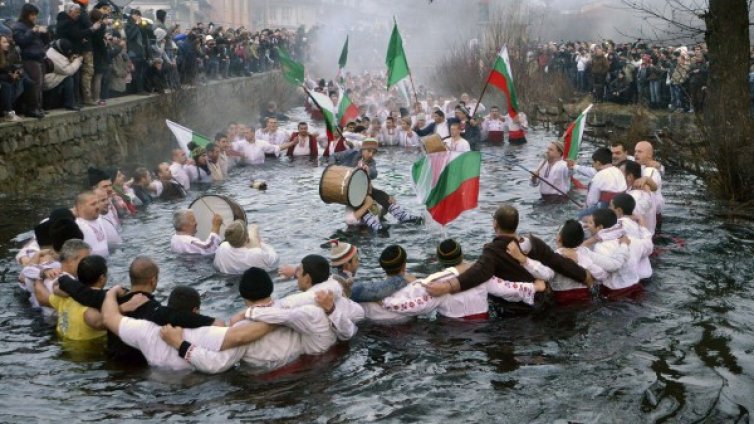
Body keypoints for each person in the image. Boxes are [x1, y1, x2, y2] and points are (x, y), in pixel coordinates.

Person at [157, 266, 358, 373]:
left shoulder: (244, 330)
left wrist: (179, 344)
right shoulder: (289, 307)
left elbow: (215, 365)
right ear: (270, 289)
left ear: (243, 297)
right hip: (308, 371)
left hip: (265, 388)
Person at [58, 255, 222, 364]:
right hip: (137, 367)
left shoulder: (109, 301)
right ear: (153, 281)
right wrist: (212, 321)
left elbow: (78, 291)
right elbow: (178, 317)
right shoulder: (153, 309)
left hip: (112, 360)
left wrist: (61, 276)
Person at [425, 204, 592, 309]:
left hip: (515, 309)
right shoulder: (535, 243)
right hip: (542, 302)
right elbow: (558, 262)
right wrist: (583, 275)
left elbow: (478, 273)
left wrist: (447, 286)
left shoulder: (493, 251)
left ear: (495, 224)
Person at [36, 252, 110, 341]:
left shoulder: (65, 296)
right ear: (102, 278)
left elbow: (41, 297)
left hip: (62, 345)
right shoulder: (97, 308)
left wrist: (40, 275)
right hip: (87, 352)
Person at [582, 208, 642, 300]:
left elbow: (602, 273)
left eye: (590, 223)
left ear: (600, 227)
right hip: (636, 286)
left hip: (615, 291)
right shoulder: (626, 238)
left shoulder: (601, 246)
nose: (587, 225)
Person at [548, 220, 607, 305]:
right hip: (584, 296)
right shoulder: (583, 254)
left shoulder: (555, 256)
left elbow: (546, 275)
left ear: (559, 238)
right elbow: (602, 274)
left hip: (561, 298)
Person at [12, 3, 51, 118]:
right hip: (29, 58)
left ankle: (38, 107)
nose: (34, 17)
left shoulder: (32, 26)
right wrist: (33, 31)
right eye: (32, 15)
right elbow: (22, 41)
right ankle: (31, 108)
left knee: (40, 84)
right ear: (26, 15)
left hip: (39, 57)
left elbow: (45, 42)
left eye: (35, 15)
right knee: (34, 84)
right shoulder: (18, 26)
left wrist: (45, 33)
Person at [610, 194, 654, 284]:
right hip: (646, 272)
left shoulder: (619, 225)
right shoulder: (636, 223)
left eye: (611, 206)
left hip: (632, 276)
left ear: (619, 210)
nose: (609, 208)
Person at [576, 147, 627, 219]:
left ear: (598, 163)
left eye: (593, 162)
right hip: (622, 206)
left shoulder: (599, 176)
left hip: (606, 208)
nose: (593, 165)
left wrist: (586, 208)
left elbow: (592, 201)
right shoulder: (618, 171)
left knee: (580, 215)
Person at [213, 221, 279, 274]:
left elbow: (216, 265)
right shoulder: (257, 254)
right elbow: (275, 259)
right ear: (247, 237)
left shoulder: (222, 248)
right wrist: (258, 241)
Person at [633, 141, 665, 233]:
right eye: (635, 151)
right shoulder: (637, 164)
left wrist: (647, 179)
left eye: (640, 152)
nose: (636, 154)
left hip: (652, 215)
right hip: (646, 212)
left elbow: (651, 185)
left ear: (649, 155)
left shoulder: (651, 170)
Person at [43, 39, 82, 111]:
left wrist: (70, 60)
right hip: (48, 81)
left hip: (51, 76)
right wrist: (77, 61)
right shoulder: (54, 56)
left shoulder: (53, 50)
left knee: (70, 75)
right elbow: (68, 71)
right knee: (68, 78)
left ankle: (75, 101)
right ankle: (70, 104)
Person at [621, 160, 657, 235]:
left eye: (619, 174)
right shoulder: (647, 190)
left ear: (630, 177)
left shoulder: (633, 197)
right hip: (648, 236)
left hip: (637, 240)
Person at [0, 34, 27, 121]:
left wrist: (18, 72)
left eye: (7, 42)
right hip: (3, 81)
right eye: (4, 42)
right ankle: (8, 112)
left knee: (24, 81)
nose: (7, 44)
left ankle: (13, 110)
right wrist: (8, 76)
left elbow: (17, 65)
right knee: (6, 86)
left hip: (7, 79)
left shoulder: (8, 54)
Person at [74, 191, 109, 257]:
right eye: (93, 204)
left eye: (98, 202)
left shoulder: (100, 219)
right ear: (80, 207)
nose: (98, 206)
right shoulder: (77, 225)